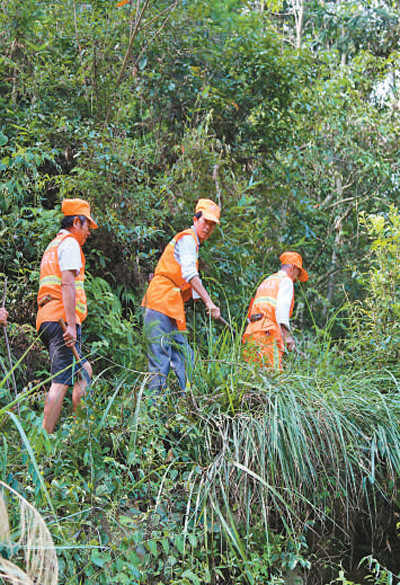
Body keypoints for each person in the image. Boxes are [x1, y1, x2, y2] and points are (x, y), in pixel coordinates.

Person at [142, 199, 221, 393]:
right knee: (160, 364)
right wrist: (209, 302)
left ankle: (189, 406)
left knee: (186, 358)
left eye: (212, 225)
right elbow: (190, 274)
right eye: (206, 222)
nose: (208, 227)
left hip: (170, 304)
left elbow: (189, 282)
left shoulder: (193, 244)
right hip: (160, 301)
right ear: (195, 220)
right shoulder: (187, 239)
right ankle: (152, 418)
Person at [36, 198, 98, 433]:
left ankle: (80, 432)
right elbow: (68, 285)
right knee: (60, 383)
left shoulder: (53, 246)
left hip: (47, 318)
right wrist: (71, 326)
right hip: (62, 321)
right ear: (76, 222)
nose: (88, 233)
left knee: (85, 370)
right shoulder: (70, 244)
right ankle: (44, 445)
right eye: (86, 226)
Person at [242, 252, 309, 371]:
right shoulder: (286, 281)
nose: (295, 280)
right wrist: (287, 337)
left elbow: (250, 312)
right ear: (293, 268)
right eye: (297, 275)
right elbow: (282, 310)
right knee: (273, 376)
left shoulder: (266, 281)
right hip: (268, 333)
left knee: (253, 375)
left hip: (252, 332)